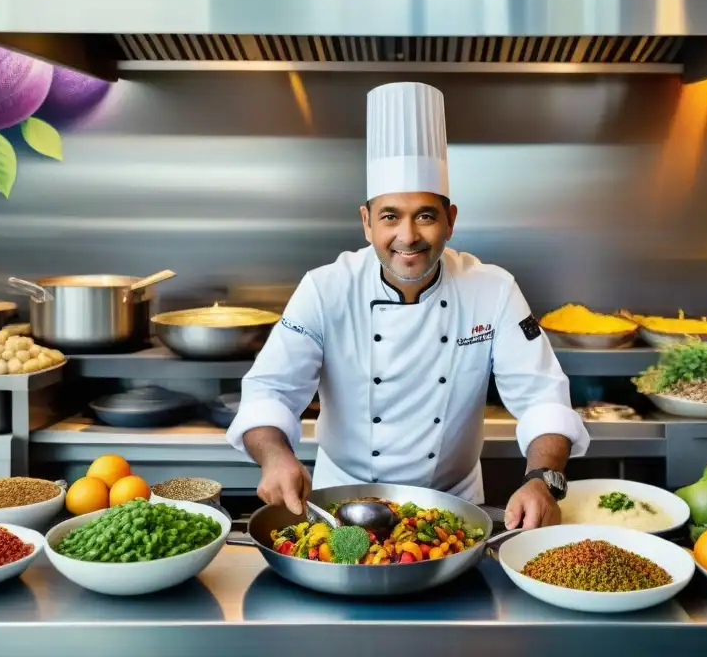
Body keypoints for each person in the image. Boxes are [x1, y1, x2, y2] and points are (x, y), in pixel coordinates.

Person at [227, 81, 589, 529]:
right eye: (390, 216)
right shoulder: (325, 289)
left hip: (452, 508)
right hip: (339, 505)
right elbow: (269, 391)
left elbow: (542, 398)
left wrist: (543, 479)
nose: (408, 236)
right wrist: (276, 455)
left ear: (450, 220)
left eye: (425, 215)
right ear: (366, 222)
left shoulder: (492, 290)